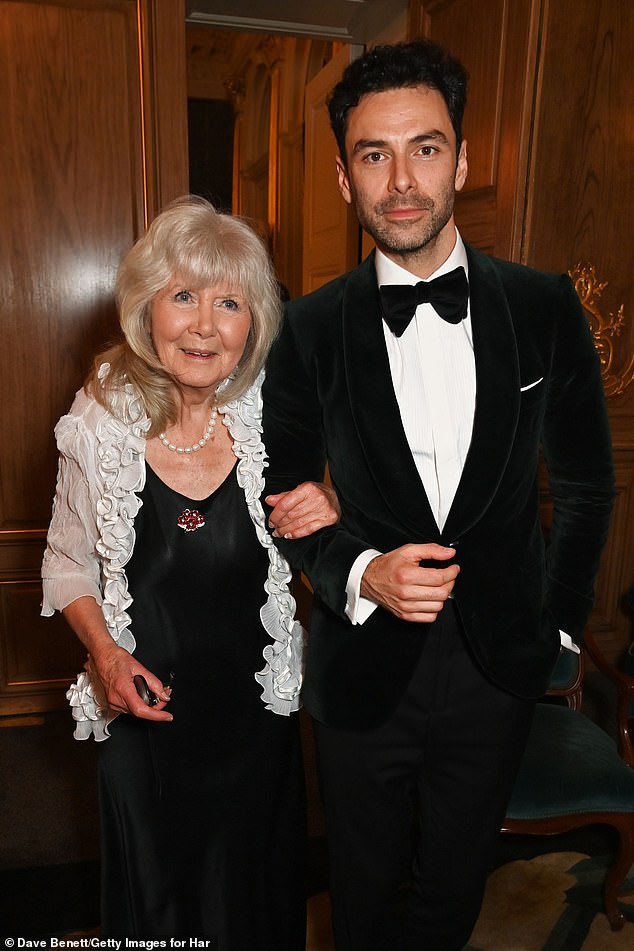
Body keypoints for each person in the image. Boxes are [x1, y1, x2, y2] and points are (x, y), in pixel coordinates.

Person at [262, 39, 615, 951]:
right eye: (374, 155)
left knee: (453, 893)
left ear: (461, 159)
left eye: (425, 147)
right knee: (364, 894)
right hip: (361, 665)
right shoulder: (304, 328)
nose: (402, 179)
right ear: (346, 179)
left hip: (500, 660)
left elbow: (585, 480)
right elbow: (286, 490)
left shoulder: (543, 306)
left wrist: (561, 628)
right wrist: (363, 571)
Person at [41, 196, 339, 947]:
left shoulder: (276, 416)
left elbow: (332, 517)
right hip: (146, 727)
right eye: (183, 296)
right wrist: (105, 655)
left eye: (229, 302)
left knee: (255, 906)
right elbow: (66, 561)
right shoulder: (96, 422)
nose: (205, 324)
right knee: (159, 911)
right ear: (147, 310)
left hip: (256, 733)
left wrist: (328, 501)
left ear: (253, 326)